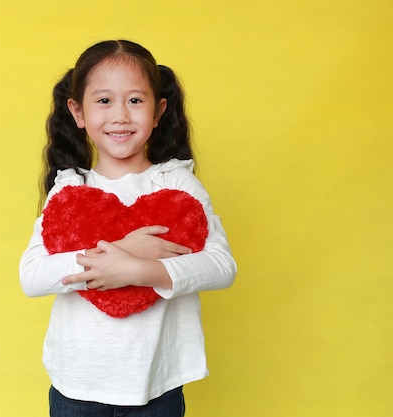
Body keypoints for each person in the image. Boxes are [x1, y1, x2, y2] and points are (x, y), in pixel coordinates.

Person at [19, 39, 237, 417]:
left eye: (135, 101)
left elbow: (221, 266)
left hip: (157, 388)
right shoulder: (70, 190)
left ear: (158, 111)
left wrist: (142, 270)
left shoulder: (177, 185)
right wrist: (121, 250)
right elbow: (32, 277)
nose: (120, 115)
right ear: (78, 111)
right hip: (76, 387)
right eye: (104, 101)